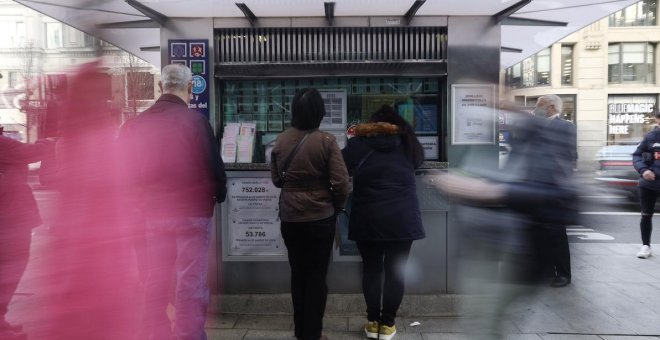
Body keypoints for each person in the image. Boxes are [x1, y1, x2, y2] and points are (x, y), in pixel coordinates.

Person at [436, 102, 579, 339]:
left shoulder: (552, 133)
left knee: (486, 320)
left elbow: (560, 196)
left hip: (521, 254)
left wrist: (491, 191)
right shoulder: (512, 139)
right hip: (489, 246)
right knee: (479, 317)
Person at [121, 63, 227, 340]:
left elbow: (126, 172)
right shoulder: (196, 122)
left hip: (153, 214)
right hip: (192, 212)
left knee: (156, 277)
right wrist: (219, 193)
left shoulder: (136, 124)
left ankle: (155, 333)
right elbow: (214, 166)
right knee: (190, 281)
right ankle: (188, 335)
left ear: (160, 87)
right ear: (191, 88)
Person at [270, 88, 349, 340]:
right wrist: (337, 206)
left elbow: (275, 180)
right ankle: (312, 334)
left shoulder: (281, 140)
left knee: (298, 274)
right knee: (316, 276)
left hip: (290, 217)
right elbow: (341, 182)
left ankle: (300, 331)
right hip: (320, 219)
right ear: (319, 113)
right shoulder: (326, 141)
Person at [341, 105, 425, 340]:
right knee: (395, 272)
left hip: (369, 217)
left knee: (371, 270)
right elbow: (419, 163)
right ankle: (387, 325)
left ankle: (372, 322)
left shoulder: (358, 144)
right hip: (402, 218)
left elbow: (339, 166)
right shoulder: (408, 142)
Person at [0, 135, 53, 340]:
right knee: (10, 270)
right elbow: (31, 153)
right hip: (10, 217)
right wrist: (48, 142)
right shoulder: (3, 143)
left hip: (10, 213)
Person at [532, 94, 577, 287]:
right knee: (540, 230)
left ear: (550, 107)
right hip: (536, 185)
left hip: (555, 186)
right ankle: (547, 269)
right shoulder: (535, 126)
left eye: (538, 105)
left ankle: (563, 273)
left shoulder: (566, 127)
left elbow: (570, 156)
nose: (535, 109)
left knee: (557, 232)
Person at [632, 111, 660, 259]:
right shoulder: (651, 137)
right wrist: (644, 170)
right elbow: (637, 155)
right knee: (646, 215)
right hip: (650, 183)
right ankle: (646, 246)